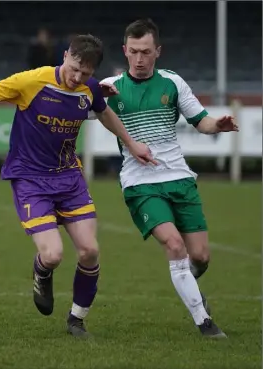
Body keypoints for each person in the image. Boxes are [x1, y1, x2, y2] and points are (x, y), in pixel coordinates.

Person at [0, 34, 156, 338]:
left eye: (86, 73)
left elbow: (103, 111)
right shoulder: (31, 81)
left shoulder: (90, 87)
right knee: (53, 255)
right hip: (30, 179)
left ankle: (76, 320)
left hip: (69, 179)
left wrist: (132, 143)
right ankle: (42, 271)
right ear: (66, 55)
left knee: (90, 251)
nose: (77, 78)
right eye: (74, 68)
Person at [97, 19, 239, 338]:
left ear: (157, 51)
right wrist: (89, 94)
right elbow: (75, 108)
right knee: (174, 245)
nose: (139, 58)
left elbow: (200, 121)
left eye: (146, 51)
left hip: (180, 178)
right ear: (125, 50)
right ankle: (205, 322)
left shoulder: (173, 83)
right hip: (141, 184)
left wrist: (218, 124)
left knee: (200, 256)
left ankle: (189, 283)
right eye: (133, 52)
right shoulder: (109, 87)